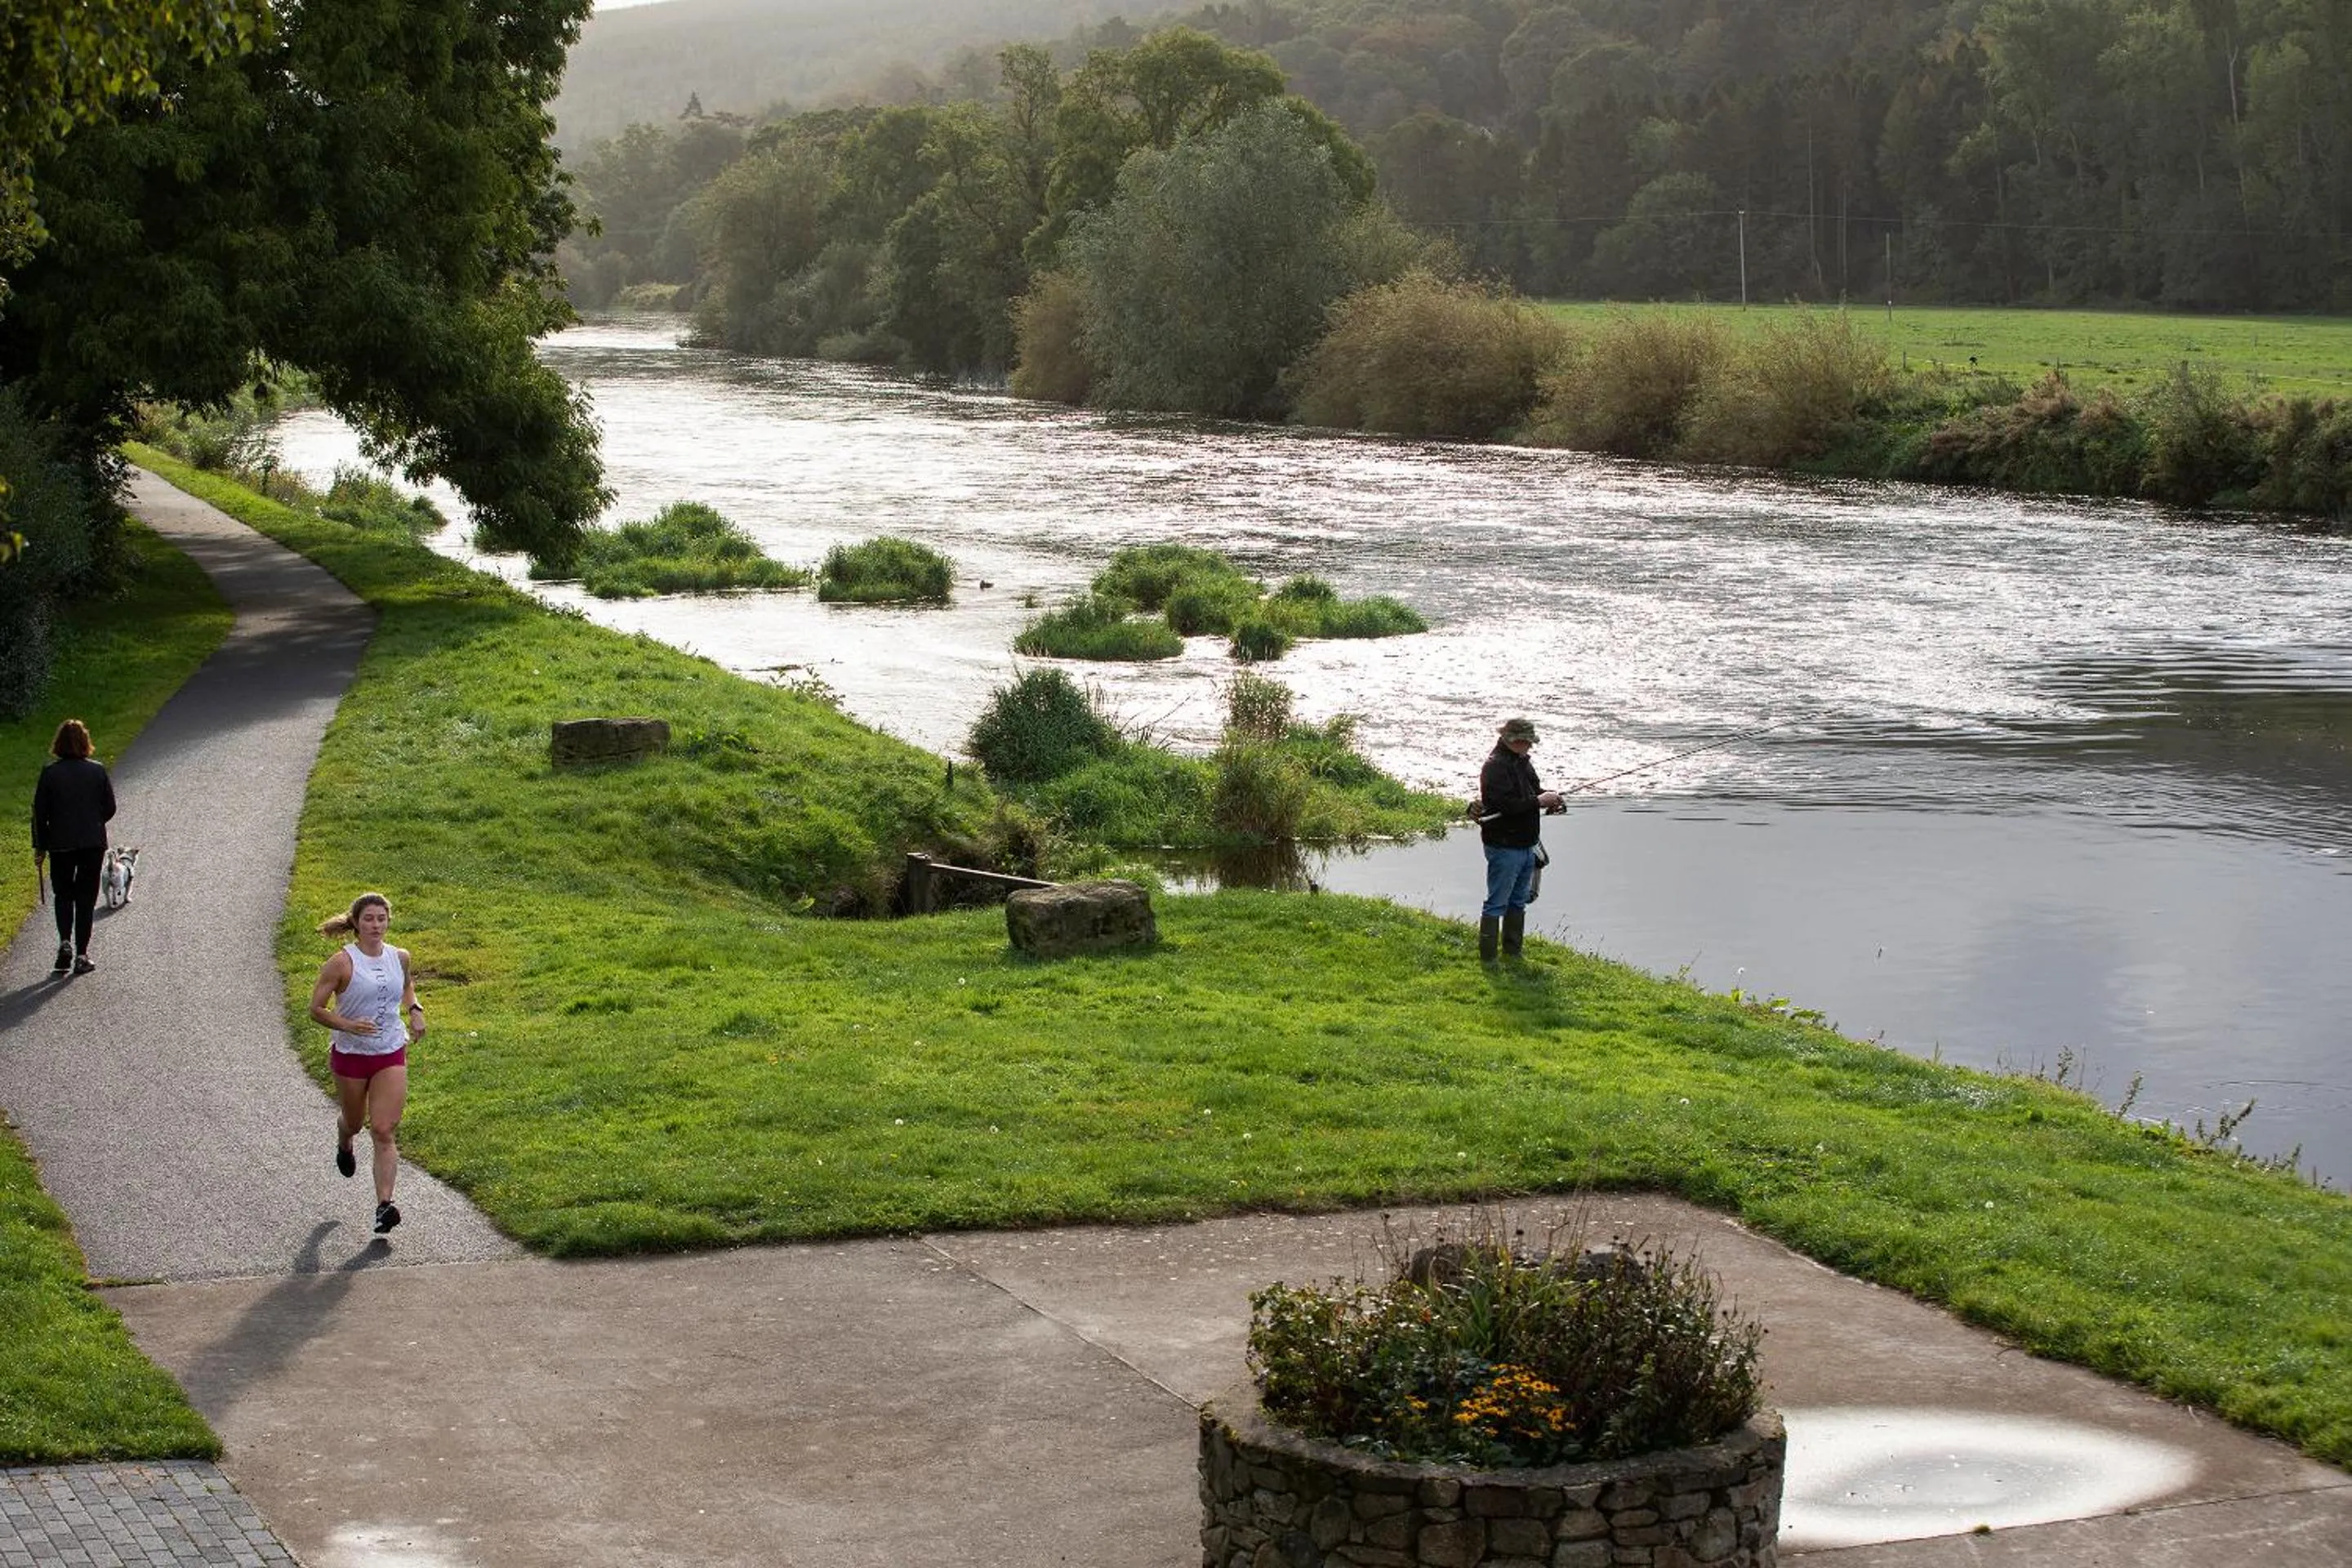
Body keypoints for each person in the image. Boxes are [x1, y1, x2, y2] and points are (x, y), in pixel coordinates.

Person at [309, 892, 423, 1236]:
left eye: (382, 918)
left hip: (390, 1050)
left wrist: (415, 1010)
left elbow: (406, 985)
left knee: (384, 1129)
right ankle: (344, 1139)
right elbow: (316, 1009)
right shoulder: (341, 963)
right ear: (357, 923)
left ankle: (384, 1207)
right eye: (369, 919)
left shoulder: (399, 957)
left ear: (388, 922)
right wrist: (348, 1025)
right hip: (351, 1055)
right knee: (356, 1123)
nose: (376, 925)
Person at [30, 719, 116, 976]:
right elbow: (110, 808)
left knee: (64, 895)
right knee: (86, 899)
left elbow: (39, 813)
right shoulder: (98, 771)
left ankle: (64, 942)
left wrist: (40, 846)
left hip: (61, 844)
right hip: (92, 843)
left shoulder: (50, 773)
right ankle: (82, 954)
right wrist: (94, 821)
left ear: (58, 744)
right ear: (84, 742)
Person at [1476, 717, 1562, 963]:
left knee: (1518, 901)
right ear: (1515, 740)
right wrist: (1538, 802)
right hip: (1504, 845)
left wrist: (1551, 799)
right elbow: (1506, 805)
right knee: (1496, 903)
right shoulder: (1494, 766)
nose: (1530, 747)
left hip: (1526, 843)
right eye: (1528, 742)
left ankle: (1513, 955)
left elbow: (1533, 793)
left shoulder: (1522, 762)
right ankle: (1489, 960)